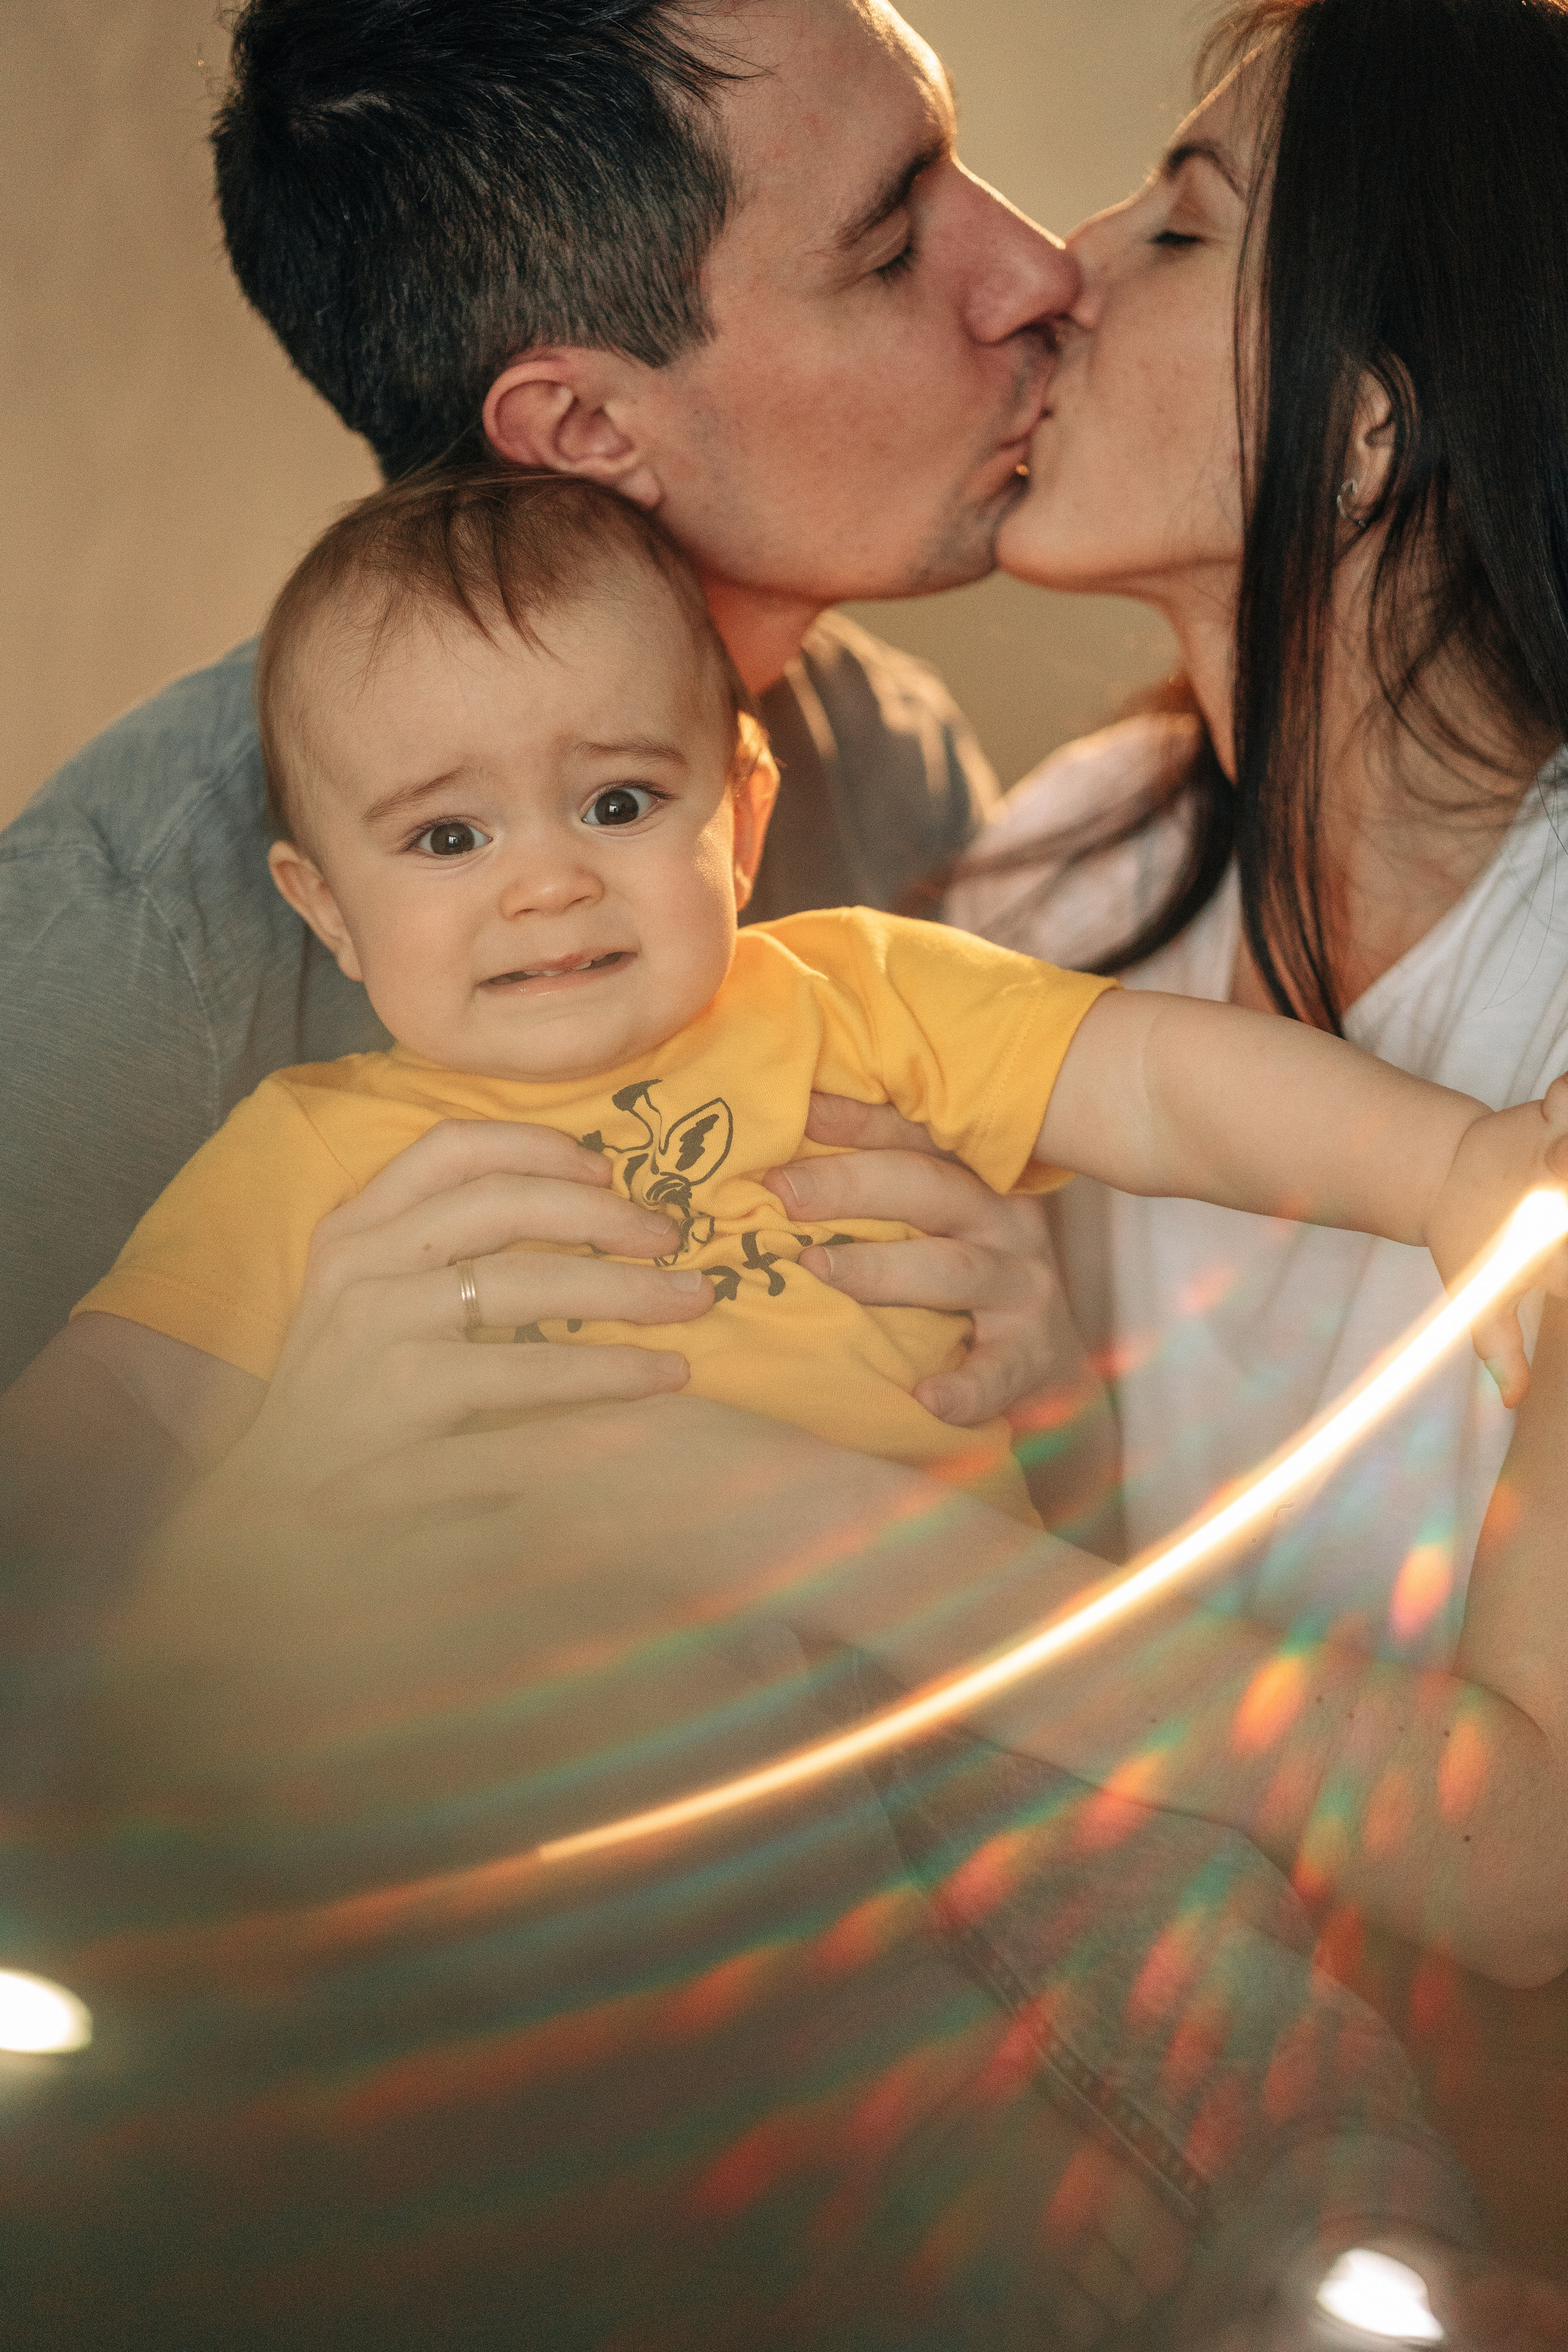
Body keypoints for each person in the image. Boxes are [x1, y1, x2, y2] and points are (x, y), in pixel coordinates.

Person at [59, 460, 1568, 1534]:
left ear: (741, 818)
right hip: (551, 1744)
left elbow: (1160, 1083)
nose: (546, 886)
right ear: (325, 907)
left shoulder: (856, 996)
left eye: (616, 803)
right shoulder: (306, 1158)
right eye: (448, 839)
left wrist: (1444, 1167)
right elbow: (107, 1428)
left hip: (950, 1695)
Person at [0, 0, 1076, 1402]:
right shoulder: (126, 942)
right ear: (583, 429)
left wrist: (1046, 1377)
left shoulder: (883, 752)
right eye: (885, 249)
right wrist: (281, 1496)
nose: (1040, 271)